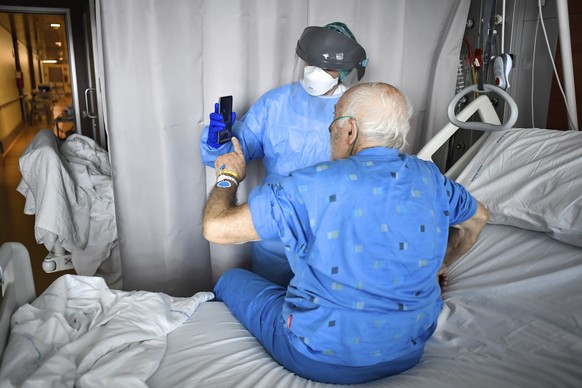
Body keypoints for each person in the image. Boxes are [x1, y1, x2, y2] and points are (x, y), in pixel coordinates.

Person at [202, 82, 490, 384]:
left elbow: (215, 227)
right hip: (407, 351)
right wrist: (440, 265)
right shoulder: (431, 178)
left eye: (333, 123)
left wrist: (229, 174)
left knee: (230, 279)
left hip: (319, 357)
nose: (330, 133)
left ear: (350, 131)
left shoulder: (312, 184)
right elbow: (478, 219)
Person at [200, 22, 369, 287]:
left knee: (321, 304)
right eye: (311, 63)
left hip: (330, 230)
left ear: (347, 70)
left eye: (326, 67)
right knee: (270, 299)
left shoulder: (358, 111)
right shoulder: (275, 103)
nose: (314, 72)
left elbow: (373, 171)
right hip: (275, 230)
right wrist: (217, 143)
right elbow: (234, 155)